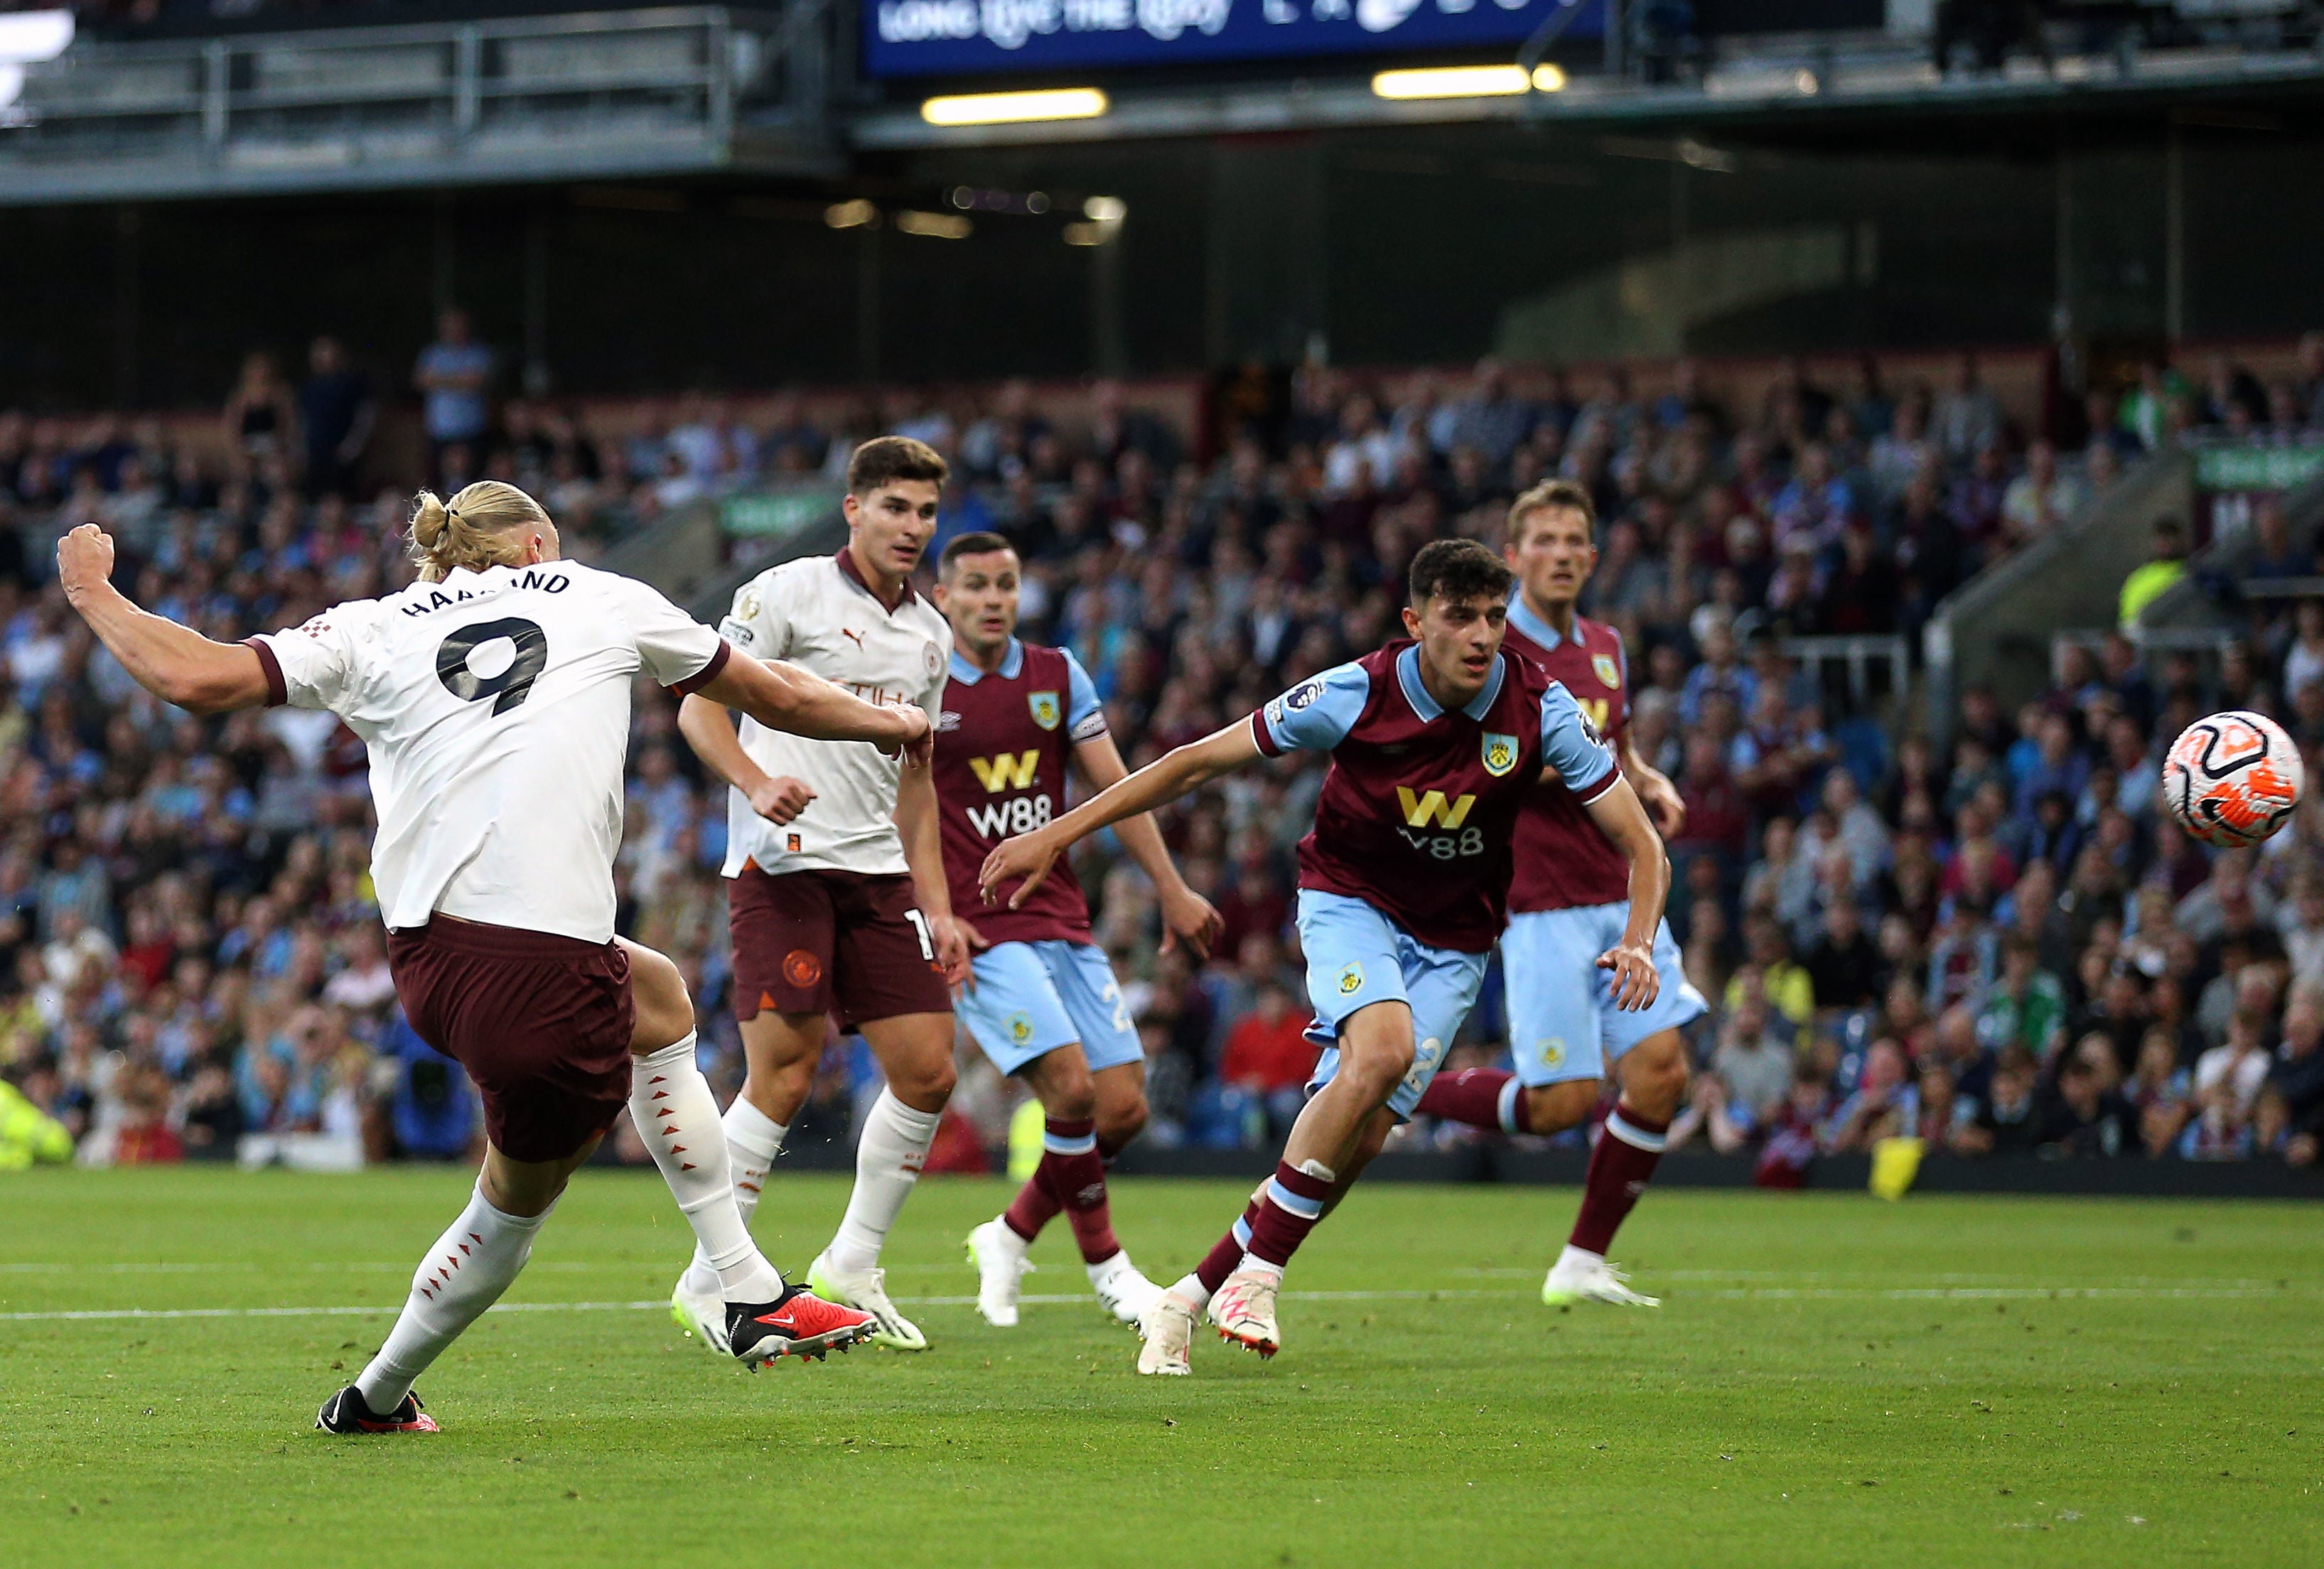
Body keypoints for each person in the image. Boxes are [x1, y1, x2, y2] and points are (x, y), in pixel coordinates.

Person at [55, 482, 922, 1431]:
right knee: (511, 1210)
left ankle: (395, 1395)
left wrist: (98, 593)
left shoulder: (370, 623)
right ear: (539, 541)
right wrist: (896, 724)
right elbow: (775, 690)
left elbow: (199, 680)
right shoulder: (594, 592)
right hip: (536, 965)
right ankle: (736, 1297)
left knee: (660, 1000)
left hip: (430, 957)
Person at [980, 539, 1670, 1375]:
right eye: (1461, 617)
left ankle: (1190, 1295)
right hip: (1353, 903)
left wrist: (1639, 938)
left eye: (1494, 616)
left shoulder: (1541, 706)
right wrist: (1056, 834)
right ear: (1417, 623)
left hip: (1457, 939)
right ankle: (1260, 1277)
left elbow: (1644, 845)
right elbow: (1193, 763)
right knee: (1379, 1053)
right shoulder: (1355, 692)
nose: (1484, 634)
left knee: (1363, 1136)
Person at [667, 436, 969, 1354]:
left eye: (924, 512)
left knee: (927, 1069)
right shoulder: (785, 593)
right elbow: (697, 705)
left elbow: (917, 783)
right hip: (782, 866)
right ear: (853, 509)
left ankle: (851, 1268)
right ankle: (711, 1280)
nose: (911, 528)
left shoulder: (931, 633)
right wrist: (755, 783)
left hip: (879, 875)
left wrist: (941, 901)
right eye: (894, 508)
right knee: (785, 1074)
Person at [1406, 480, 1704, 1308]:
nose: (1563, 553)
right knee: (1558, 1106)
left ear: (1594, 556)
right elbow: (1473, 766)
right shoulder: (1491, 654)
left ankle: (1582, 1261)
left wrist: (1647, 778)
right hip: (1540, 907)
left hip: (1624, 890)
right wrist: (1559, 763)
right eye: (1545, 540)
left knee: (1660, 1073)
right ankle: (1391, 1080)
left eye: (1576, 540)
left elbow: (1618, 739)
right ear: (1513, 557)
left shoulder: (1606, 644)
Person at [932, 532, 1222, 1329]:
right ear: (943, 598)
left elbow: (1118, 791)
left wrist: (1170, 888)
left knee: (1123, 1109)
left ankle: (1010, 1232)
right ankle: (1109, 1269)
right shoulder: (921, 684)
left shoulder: (1057, 675)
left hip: (1059, 917)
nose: (993, 599)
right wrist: (934, 910)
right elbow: (902, 808)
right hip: (980, 927)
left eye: (1006, 584)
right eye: (976, 586)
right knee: (1068, 1088)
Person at [413, 308, 493, 479]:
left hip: (471, 429)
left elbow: (476, 382)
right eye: (450, 325)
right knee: (437, 483)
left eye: (459, 325)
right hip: (439, 430)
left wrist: (439, 379)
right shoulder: (433, 354)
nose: (454, 329)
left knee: (473, 482)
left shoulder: (478, 353)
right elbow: (421, 381)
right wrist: (459, 379)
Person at [298, 335, 376, 501]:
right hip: (315, 454)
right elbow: (303, 419)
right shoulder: (310, 386)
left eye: (326, 350)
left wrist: (353, 446)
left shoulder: (352, 383)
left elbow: (365, 416)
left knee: (343, 498)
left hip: (344, 454)